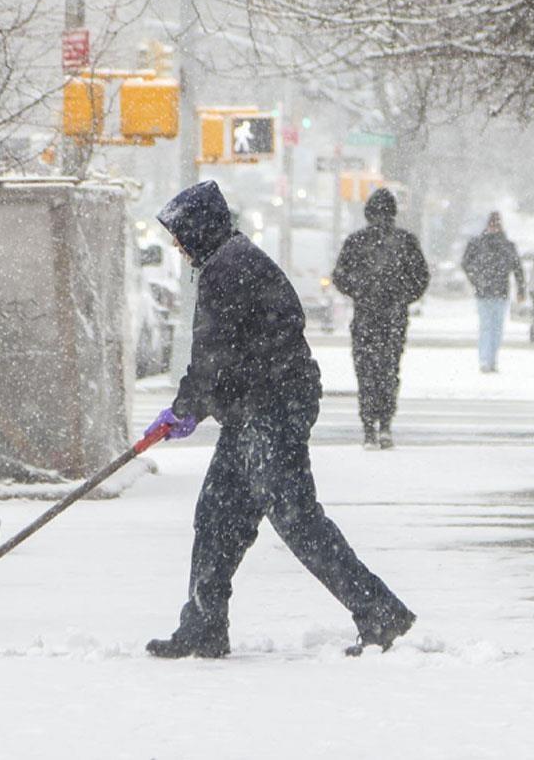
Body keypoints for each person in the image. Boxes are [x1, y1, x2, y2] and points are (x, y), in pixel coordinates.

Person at [143, 181, 415, 659]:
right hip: (255, 408)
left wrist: (185, 408)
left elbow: (213, 357)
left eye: (180, 234)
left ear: (199, 228)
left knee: (296, 519)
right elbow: (227, 355)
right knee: (217, 517)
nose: (176, 245)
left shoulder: (226, 269)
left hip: (271, 410)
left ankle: (379, 611)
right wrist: (197, 404)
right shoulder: (230, 260)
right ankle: (203, 624)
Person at [331, 188, 429, 450]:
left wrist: (361, 291)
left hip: (365, 316)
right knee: (389, 369)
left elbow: (339, 276)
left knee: (366, 371)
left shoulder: (356, 242)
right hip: (393, 317)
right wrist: (401, 296)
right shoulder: (406, 241)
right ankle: (385, 422)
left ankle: (368, 427)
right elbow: (421, 278)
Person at [461, 213, 525, 372]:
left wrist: (475, 278)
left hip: (493, 292)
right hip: (490, 292)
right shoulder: (504, 245)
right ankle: (486, 360)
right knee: (489, 327)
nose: (494, 228)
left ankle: (490, 359)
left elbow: (517, 268)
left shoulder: (481, 244)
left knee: (493, 328)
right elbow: (517, 268)